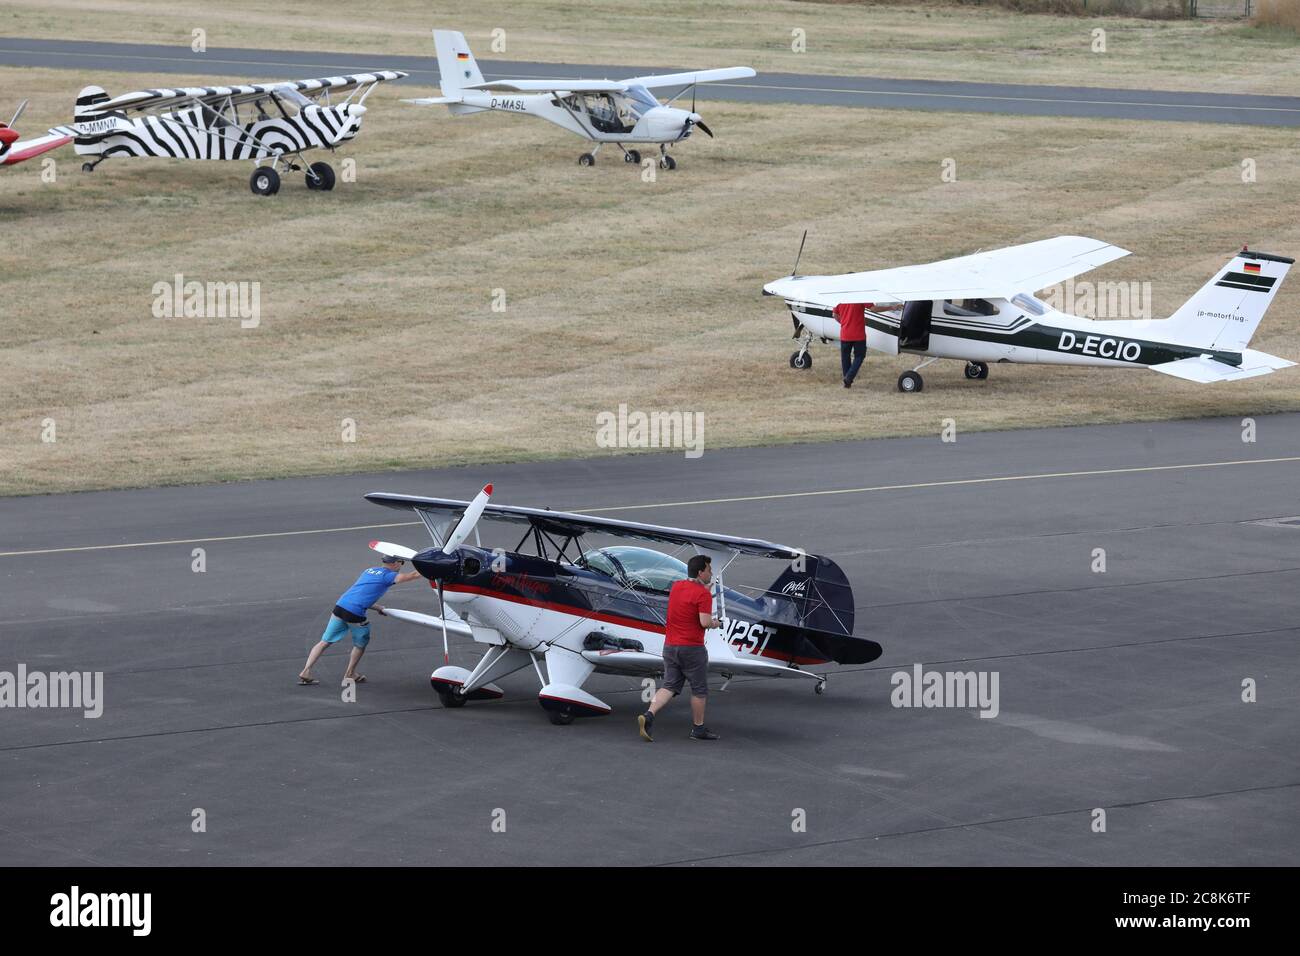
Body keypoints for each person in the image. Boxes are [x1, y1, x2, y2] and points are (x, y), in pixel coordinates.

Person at [298, 555, 422, 686]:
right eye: (401, 562)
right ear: (396, 563)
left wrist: (378, 607)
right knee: (360, 644)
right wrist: (433, 568)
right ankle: (350, 673)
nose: (401, 566)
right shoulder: (388, 576)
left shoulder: (369, 571)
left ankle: (305, 671)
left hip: (340, 606)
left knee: (324, 641)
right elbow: (414, 575)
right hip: (355, 613)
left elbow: (361, 594)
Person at [638, 555, 721, 742]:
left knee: (669, 686)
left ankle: (649, 715)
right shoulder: (703, 594)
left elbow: (688, 597)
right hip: (692, 649)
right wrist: (715, 623)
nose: (711, 573)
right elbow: (704, 622)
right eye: (709, 569)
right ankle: (698, 729)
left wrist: (703, 589)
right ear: (701, 572)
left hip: (670, 647)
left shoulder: (676, 586)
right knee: (699, 689)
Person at [835, 301, 868, 388]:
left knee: (845, 358)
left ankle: (847, 383)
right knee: (859, 356)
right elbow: (874, 308)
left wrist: (844, 323)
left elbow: (835, 315)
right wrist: (892, 308)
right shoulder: (861, 296)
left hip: (845, 334)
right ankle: (848, 377)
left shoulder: (839, 299)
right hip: (859, 335)